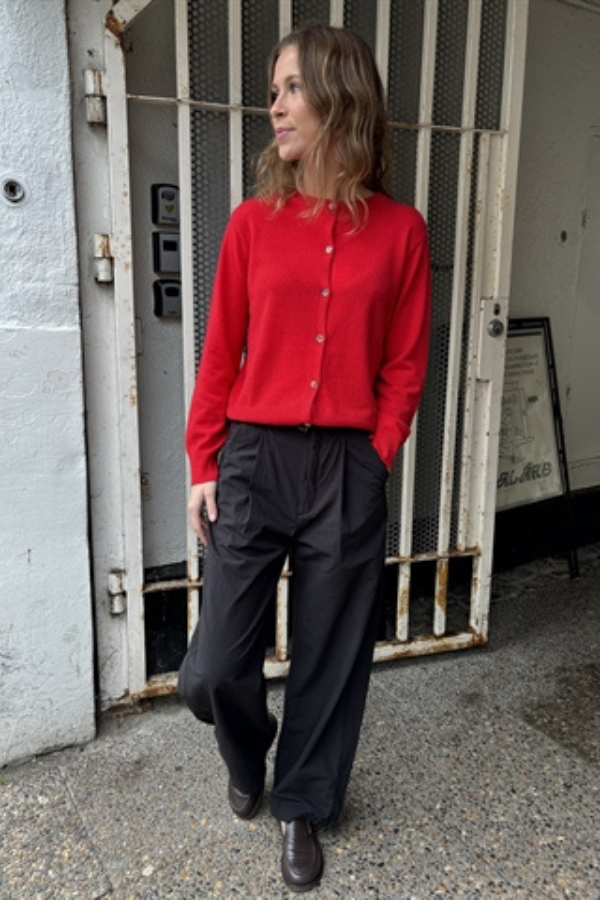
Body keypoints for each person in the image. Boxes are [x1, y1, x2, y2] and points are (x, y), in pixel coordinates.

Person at [178, 22, 431, 892]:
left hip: (347, 467)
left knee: (331, 652)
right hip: (254, 458)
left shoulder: (401, 233)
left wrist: (378, 455)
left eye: (291, 89)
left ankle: (301, 806)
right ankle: (245, 751)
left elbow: (405, 364)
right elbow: (221, 352)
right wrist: (203, 462)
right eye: (274, 91)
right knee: (213, 668)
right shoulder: (252, 225)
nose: (276, 107)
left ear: (340, 99)